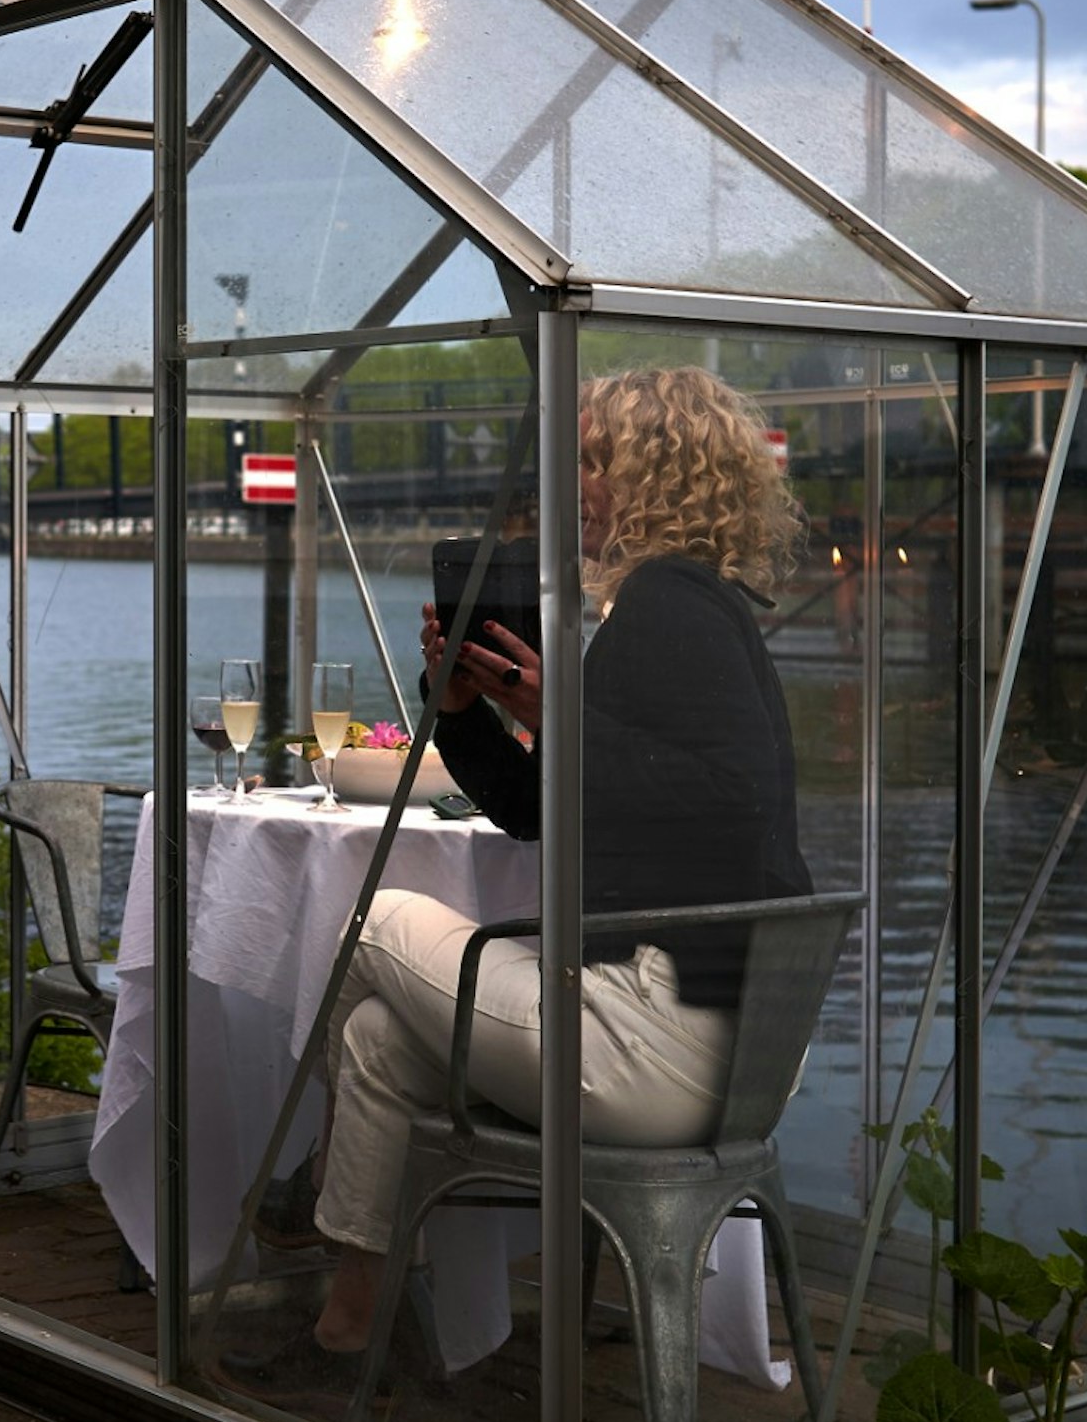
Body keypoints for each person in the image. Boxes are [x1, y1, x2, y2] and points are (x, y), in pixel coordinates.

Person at [308, 366, 812, 1355]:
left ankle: (290, 1209)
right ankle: (349, 1328)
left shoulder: (672, 605)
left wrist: (557, 715)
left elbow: (733, 797)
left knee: (367, 922)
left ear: (659, 473)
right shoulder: (673, 610)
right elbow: (544, 809)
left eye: (593, 459)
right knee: (374, 1037)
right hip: (708, 1042)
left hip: (666, 1038)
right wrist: (463, 710)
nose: (573, 482)